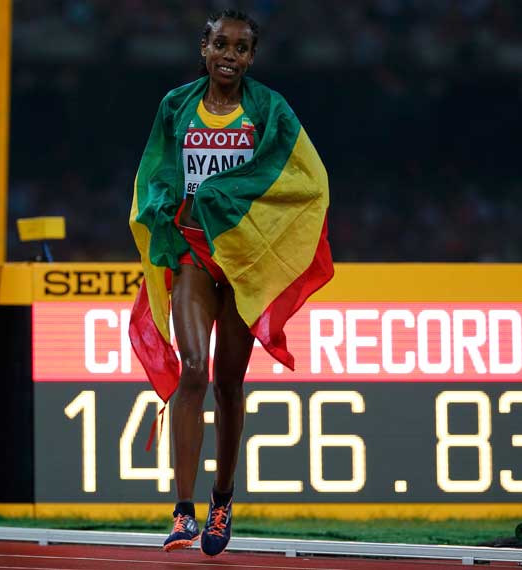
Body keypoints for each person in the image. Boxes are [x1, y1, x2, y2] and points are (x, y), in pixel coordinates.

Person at [128, 9, 333, 557]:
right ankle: (182, 511)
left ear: (250, 58)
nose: (230, 56)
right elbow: (157, 173)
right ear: (204, 47)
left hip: (245, 262)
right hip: (195, 254)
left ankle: (223, 498)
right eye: (221, 44)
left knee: (228, 382)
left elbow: (304, 178)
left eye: (241, 49)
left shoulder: (270, 111)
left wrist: (221, 194)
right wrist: (166, 206)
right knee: (193, 369)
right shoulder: (176, 106)